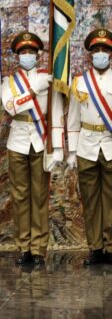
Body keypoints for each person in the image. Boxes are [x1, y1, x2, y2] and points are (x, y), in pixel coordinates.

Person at [1, 31, 64, 266]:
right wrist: (33, 90)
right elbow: (10, 107)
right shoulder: (9, 82)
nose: (27, 55)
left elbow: (56, 112)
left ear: (38, 54)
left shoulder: (47, 78)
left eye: (30, 52)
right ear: (17, 55)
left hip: (41, 140)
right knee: (19, 196)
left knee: (39, 196)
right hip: (17, 141)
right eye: (22, 52)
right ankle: (23, 247)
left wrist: (57, 147)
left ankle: (39, 248)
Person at [67, 28, 112, 266]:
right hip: (86, 146)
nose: (101, 54)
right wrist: (72, 151)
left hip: (110, 145)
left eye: (105, 50)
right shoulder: (80, 82)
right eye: (97, 50)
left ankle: (110, 246)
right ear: (89, 54)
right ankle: (95, 247)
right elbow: (73, 118)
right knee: (91, 199)